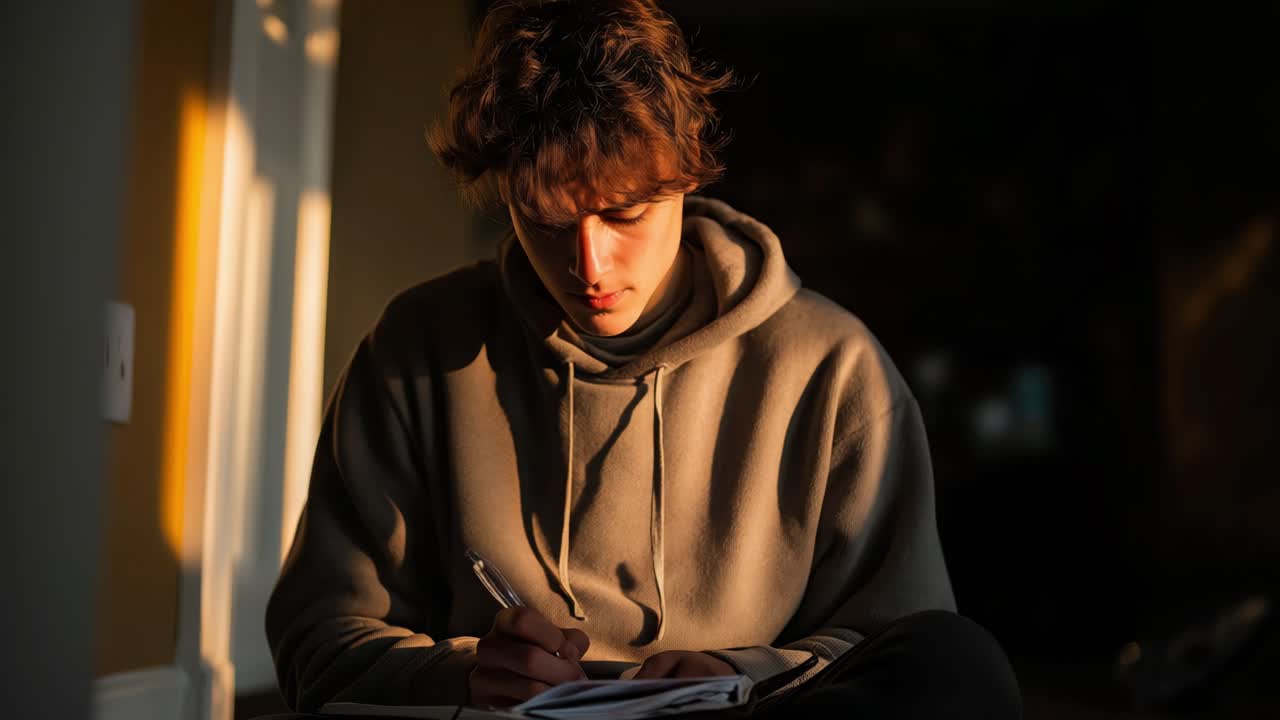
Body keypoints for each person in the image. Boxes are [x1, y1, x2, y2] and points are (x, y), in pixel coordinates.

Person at [265, 0, 1021, 717]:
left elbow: (900, 643)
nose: (588, 264)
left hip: (746, 716)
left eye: (624, 213)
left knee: (960, 664)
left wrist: (742, 673)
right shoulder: (417, 351)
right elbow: (317, 645)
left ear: (687, 177)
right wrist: (467, 673)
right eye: (546, 220)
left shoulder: (833, 369)